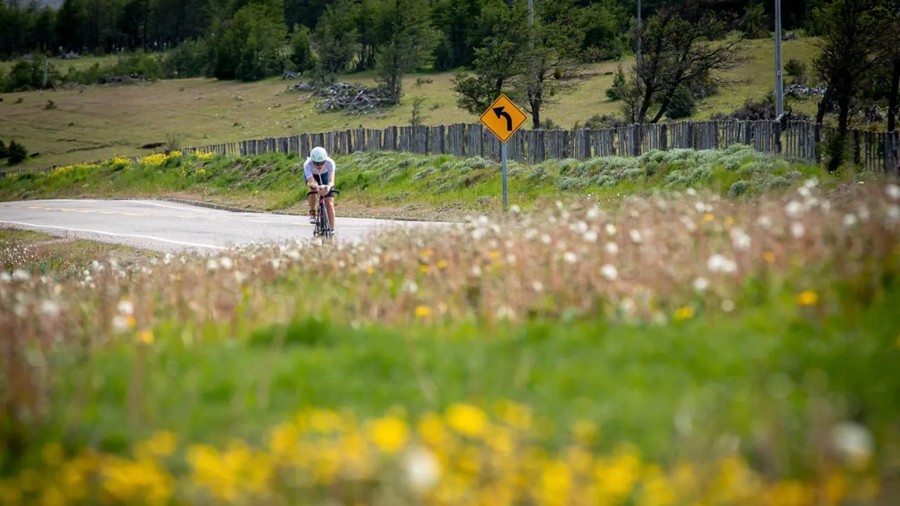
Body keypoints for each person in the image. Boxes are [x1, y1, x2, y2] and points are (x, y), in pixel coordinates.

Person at [303, 146, 336, 230]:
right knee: (312, 189)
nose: (319, 165)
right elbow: (311, 181)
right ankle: (312, 212)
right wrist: (317, 187)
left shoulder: (330, 162)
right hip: (312, 176)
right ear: (312, 160)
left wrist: (328, 187)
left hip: (325, 175)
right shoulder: (307, 164)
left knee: (329, 203)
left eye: (322, 162)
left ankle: (332, 229)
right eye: (316, 163)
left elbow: (331, 181)